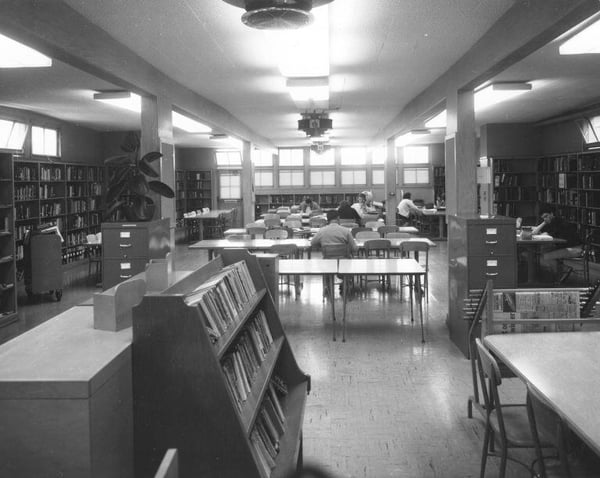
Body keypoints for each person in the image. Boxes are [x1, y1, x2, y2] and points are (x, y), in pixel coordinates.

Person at [531, 208, 583, 280]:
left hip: (575, 249)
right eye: (543, 218)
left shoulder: (558, 222)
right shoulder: (551, 222)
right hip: (567, 246)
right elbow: (535, 232)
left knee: (545, 256)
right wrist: (544, 222)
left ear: (552, 214)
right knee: (543, 251)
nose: (545, 219)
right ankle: (559, 273)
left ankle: (559, 276)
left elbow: (548, 234)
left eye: (546, 216)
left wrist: (545, 231)